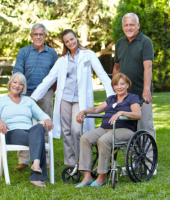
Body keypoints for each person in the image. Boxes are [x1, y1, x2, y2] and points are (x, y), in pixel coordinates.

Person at [31, 29, 115, 167]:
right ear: (64, 44)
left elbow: (102, 74)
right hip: (64, 99)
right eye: (67, 41)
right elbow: (49, 79)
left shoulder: (89, 55)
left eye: (72, 39)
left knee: (77, 130)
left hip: (79, 101)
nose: (70, 42)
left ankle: (81, 162)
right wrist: (34, 97)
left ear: (76, 37)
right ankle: (70, 164)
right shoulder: (62, 60)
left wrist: (112, 96)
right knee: (66, 131)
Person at [0, 72, 54, 187]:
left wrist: (47, 119)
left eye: (21, 84)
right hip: (12, 133)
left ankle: (35, 164)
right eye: (15, 82)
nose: (17, 86)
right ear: (10, 83)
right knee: (38, 139)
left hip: (29, 132)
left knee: (38, 128)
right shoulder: (1, 101)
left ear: (23, 87)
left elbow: (42, 115)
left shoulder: (28, 101)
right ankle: (36, 176)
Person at [75, 73, 141, 188]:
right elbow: (96, 109)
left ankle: (102, 176)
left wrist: (121, 112)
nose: (119, 87)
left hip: (124, 130)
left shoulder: (132, 97)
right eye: (116, 84)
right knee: (85, 138)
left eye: (122, 84)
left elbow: (137, 114)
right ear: (113, 87)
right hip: (104, 128)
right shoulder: (111, 99)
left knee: (104, 140)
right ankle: (87, 176)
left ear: (127, 85)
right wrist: (83, 112)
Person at [13, 23, 58, 171]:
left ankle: (44, 157)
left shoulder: (52, 53)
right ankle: (24, 160)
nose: (38, 37)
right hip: (26, 92)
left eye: (41, 34)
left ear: (45, 36)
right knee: (24, 123)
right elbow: (18, 73)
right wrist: (19, 92)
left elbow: (55, 75)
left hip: (45, 92)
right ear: (31, 36)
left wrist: (53, 92)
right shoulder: (23, 52)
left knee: (45, 122)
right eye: (35, 34)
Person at [113, 13, 156, 144]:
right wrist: (114, 87)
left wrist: (146, 90)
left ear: (138, 25)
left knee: (146, 127)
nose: (129, 28)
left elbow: (148, 67)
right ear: (122, 27)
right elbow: (116, 68)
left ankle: (150, 162)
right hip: (125, 95)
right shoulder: (120, 43)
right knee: (129, 128)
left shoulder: (145, 41)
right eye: (126, 25)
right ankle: (134, 161)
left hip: (142, 94)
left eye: (132, 25)